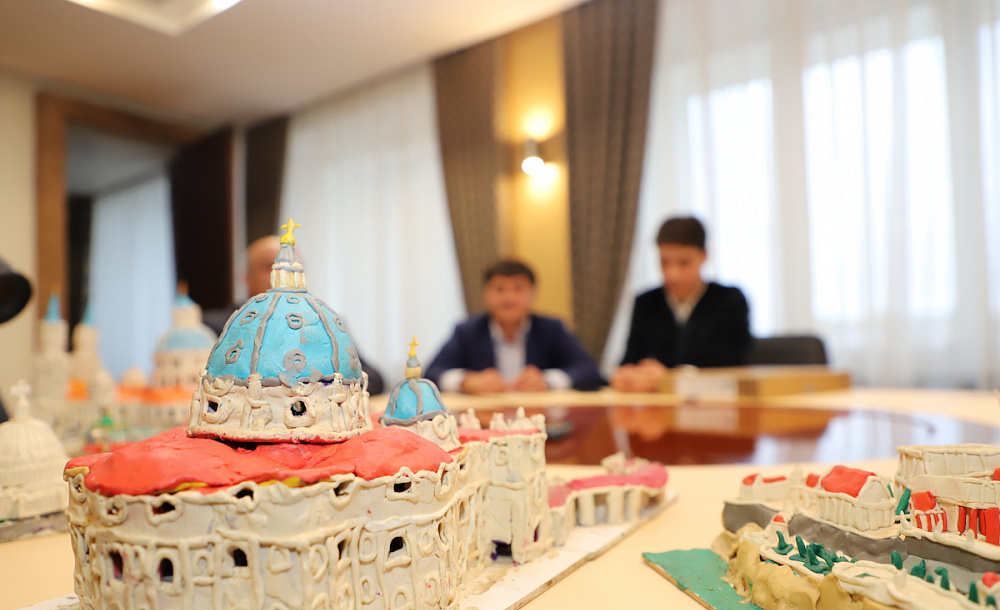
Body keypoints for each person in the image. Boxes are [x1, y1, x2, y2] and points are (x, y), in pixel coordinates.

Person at [203, 235, 385, 394]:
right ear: (246, 276)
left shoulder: (323, 324)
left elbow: (374, 378)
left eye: (292, 269)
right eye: (269, 266)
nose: (281, 274)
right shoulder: (217, 326)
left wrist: (322, 388)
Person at [610, 216, 751, 393]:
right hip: (657, 405)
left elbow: (734, 366)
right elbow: (631, 359)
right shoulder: (646, 303)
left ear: (704, 256)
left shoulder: (729, 301)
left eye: (684, 262)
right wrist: (627, 376)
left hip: (713, 403)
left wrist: (671, 378)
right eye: (664, 262)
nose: (673, 274)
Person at [424, 260, 603, 394]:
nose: (509, 298)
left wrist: (547, 380)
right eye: (499, 289)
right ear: (485, 294)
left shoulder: (552, 329)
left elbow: (589, 371)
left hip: (540, 419)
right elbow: (431, 374)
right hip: (485, 422)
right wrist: (466, 381)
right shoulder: (467, 331)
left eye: (518, 288)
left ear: (533, 294)